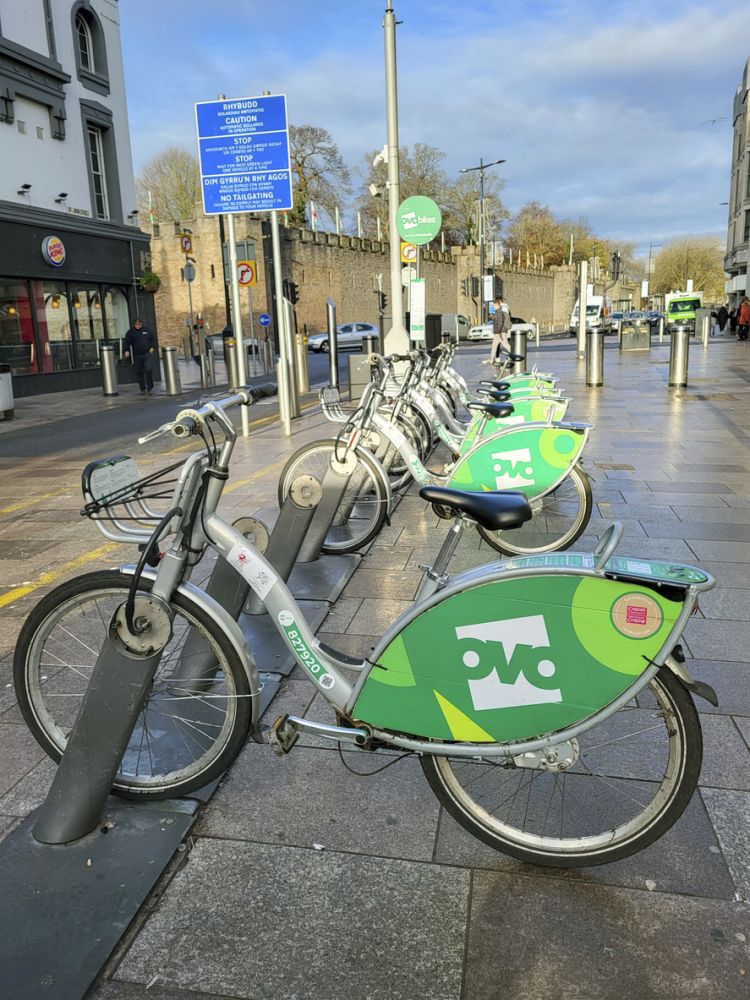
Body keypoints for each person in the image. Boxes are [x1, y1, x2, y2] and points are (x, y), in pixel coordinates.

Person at [123, 317, 157, 393]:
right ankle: (142, 388)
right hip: (137, 355)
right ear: (134, 324)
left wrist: (152, 348)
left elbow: (153, 340)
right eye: (136, 324)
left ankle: (150, 386)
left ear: (141, 324)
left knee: (148, 369)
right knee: (138, 371)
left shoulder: (147, 331)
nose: (137, 325)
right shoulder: (130, 332)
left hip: (147, 353)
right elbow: (127, 342)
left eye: (139, 324)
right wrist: (126, 350)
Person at [483, 296, 511, 365]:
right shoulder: (500, 310)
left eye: (494, 305)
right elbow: (496, 318)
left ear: (499, 302)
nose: (493, 306)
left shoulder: (502, 309)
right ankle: (492, 359)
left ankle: (514, 355)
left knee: (505, 345)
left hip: (500, 332)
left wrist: (499, 332)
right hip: (498, 332)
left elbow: (501, 321)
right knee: (494, 346)